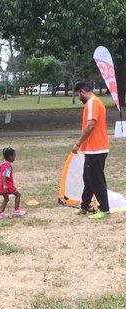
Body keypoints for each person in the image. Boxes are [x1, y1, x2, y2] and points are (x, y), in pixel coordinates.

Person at [72, 81, 110, 220]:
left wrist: (78, 143)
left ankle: (104, 209)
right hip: (92, 149)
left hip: (96, 148)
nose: (79, 98)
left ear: (82, 91)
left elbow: (91, 124)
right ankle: (85, 206)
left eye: (78, 95)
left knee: (96, 179)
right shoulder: (95, 102)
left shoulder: (93, 103)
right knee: (88, 178)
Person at [0, 147, 25, 218]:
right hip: (8, 185)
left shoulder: (2, 165)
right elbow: (4, 175)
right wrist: (5, 185)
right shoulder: (8, 165)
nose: (14, 158)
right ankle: (16, 211)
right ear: (10, 157)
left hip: (1, 185)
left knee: (6, 199)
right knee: (18, 195)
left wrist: (2, 183)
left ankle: (0, 213)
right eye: (14, 156)